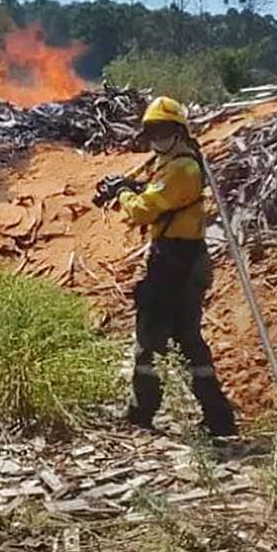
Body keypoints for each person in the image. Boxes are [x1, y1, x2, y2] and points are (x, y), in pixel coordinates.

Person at [112, 96, 238, 437]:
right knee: (188, 340)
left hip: (174, 264)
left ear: (179, 132)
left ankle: (141, 413)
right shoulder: (177, 164)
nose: (157, 138)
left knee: (150, 339)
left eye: (163, 131)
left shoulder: (182, 168)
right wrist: (135, 188)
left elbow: (143, 210)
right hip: (185, 259)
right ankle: (219, 419)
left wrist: (123, 194)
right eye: (152, 132)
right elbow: (161, 196)